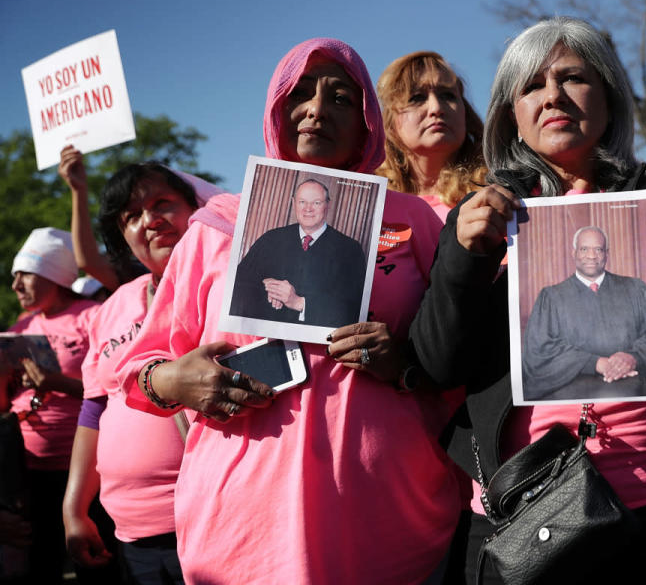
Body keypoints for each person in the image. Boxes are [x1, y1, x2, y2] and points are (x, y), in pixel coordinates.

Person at [410, 17, 646, 584]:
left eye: (573, 77)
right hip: (528, 516)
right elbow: (437, 364)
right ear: (512, 116)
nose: (552, 95)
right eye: (531, 85)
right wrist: (465, 260)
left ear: (608, 99)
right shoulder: (480, 215)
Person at [111, 38, 459, 584]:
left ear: (368, 121)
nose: (317, 109)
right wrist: (177, 379)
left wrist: (406, 362)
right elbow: (136, 371)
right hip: (243, 529)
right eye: (300, 94)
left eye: (341, 98)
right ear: (276, 110)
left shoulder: (414, 219)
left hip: (388, 521)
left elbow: (461, 356)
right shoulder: (217, 226)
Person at [61, 163, 207, 585]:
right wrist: (74, 509)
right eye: (131, 215)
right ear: (124, 238)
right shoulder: (114, 306)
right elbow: (94, 411)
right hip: (129, 535)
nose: (151, 219)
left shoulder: (226, 284)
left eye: (164, 203)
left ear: (195, 209)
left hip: (206, 521)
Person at [4, 227, 98, 583]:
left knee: (93, 561)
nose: (15, 286)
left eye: (24, 275)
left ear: (53, 275)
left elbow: (114, 389)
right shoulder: (21, 326)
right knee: (39, 562)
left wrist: (57, 383)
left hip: (85, 471)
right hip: (26, 470)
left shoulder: (92, 316)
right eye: (13, 277)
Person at [522, 225, 646, 400]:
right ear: (574, 253)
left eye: (598, 249)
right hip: (568, 392)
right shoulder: (551, 297)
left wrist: (632, 356)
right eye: (584, 249)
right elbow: (540, 350)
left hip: (633, 387)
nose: (592, 256)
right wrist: (595, 363)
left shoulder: (636, 289)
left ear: (606, 253)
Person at [228, 178, 365, 326]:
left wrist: (299, 302)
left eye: (316, 203)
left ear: (328, 205)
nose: (308, 208)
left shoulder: (351, 250)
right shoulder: (271, 238)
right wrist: (268, 286)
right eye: (302, 202)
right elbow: (238, 283)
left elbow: (353, 307)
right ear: (294, 204)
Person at [376, 51, 486, 219]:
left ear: (466, 113)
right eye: (417, 98)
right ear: (390, 123)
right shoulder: (370, 201)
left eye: (448, 96)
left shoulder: (494, 192)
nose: (436, 108)